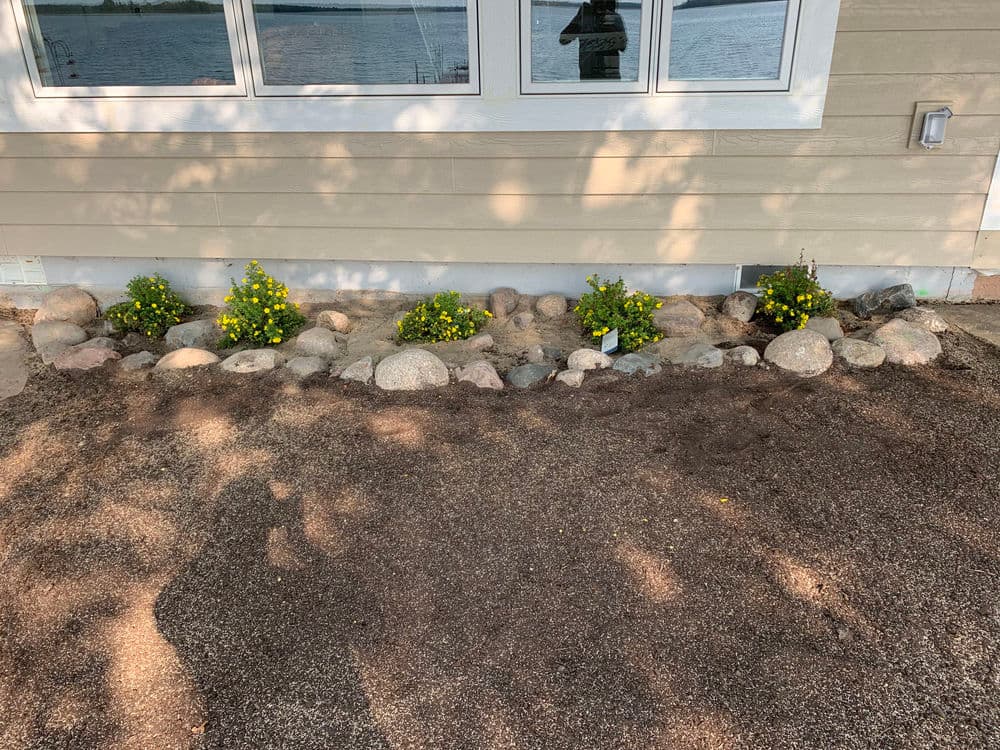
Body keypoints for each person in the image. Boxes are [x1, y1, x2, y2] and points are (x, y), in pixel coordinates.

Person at [559, 0, 628, 80]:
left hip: (607, 77)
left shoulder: (615, 18)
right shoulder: (584, 18)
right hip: (592, 77)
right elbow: (563, 39)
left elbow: (623, 46)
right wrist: (580, 17)